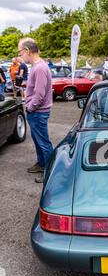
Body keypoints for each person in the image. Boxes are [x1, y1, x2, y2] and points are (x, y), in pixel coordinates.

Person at [18, 38, 53, 183]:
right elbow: (37, 88)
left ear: (27, 51)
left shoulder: (39, 68)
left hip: (38, 112)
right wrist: (26, 84)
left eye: (20, 52)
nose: (20, 55)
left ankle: (50, 173)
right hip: (37, 112)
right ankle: (42, 164)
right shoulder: (37, 67)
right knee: (38, 140)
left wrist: (29, 107)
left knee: (44, 143)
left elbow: (39, 95)